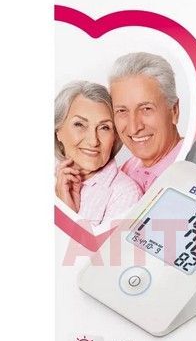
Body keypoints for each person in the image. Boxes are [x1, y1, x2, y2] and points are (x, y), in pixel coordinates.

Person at [55, 81, 142, 227]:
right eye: (79, 124)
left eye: (104, 127)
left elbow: (107, 244)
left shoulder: (125, 193)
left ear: (115, 137)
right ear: (58, 131)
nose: (93, 141)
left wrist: (67, 214)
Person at [109, 52, 183, 193]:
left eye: (146, 109)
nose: (134, 128)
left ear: (174, 110)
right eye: (122, 111)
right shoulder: (123, 172)